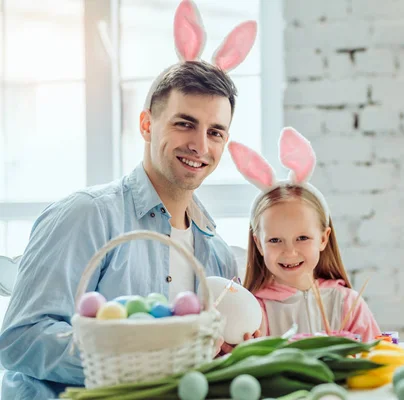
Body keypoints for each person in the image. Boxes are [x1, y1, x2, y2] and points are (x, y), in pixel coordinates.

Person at [0, 1, 258, 398]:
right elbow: (20, 339)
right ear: (146, 125)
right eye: (184, 123)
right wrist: (137, 360)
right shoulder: (87, 215)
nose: (200, 145)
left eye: (216, 132)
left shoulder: (215, 253)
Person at [229, 127, 381, 342]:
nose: (289, 251)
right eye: (274, 240)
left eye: (302, 238)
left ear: (323, 238)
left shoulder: (347, 304)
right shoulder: (254, 311)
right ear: (259, 244)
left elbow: (377, 360)